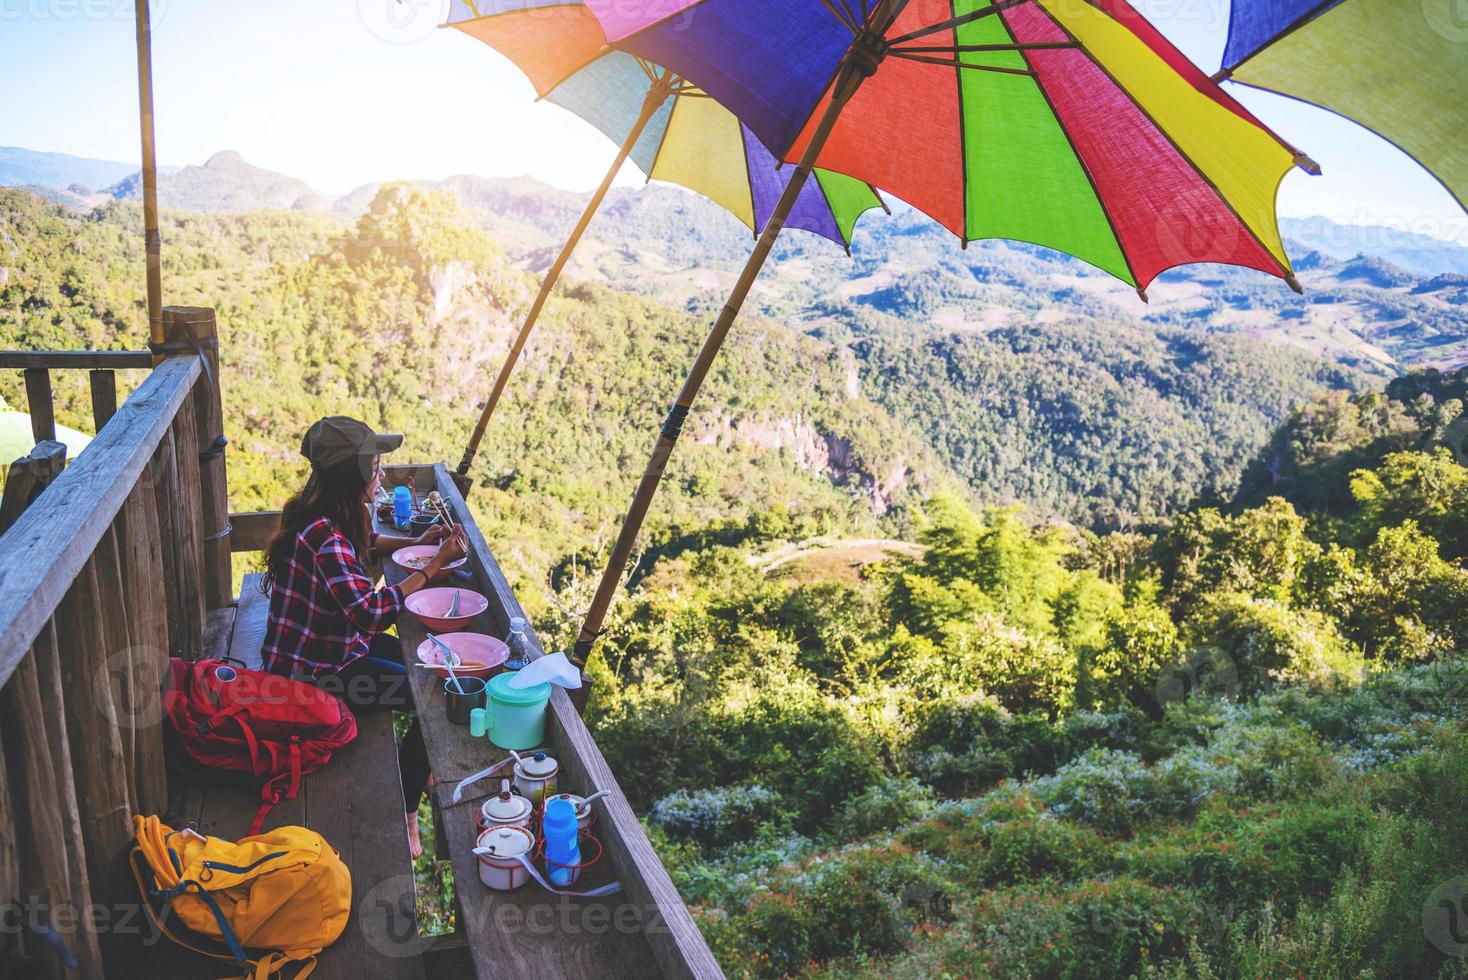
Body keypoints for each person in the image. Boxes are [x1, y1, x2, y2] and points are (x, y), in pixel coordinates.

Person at [260, 416, 467, 858]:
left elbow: (364, 543)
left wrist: (422, 543)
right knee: (434, 697)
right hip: (312, 675)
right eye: (375, 469)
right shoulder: (325, 537)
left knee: (434, 664)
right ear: (352, 476)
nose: (382, 476)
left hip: (332, 647)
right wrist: (433, 567)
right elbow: (371, 615)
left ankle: (420, 767)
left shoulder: (322, 514)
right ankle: (408, 808)